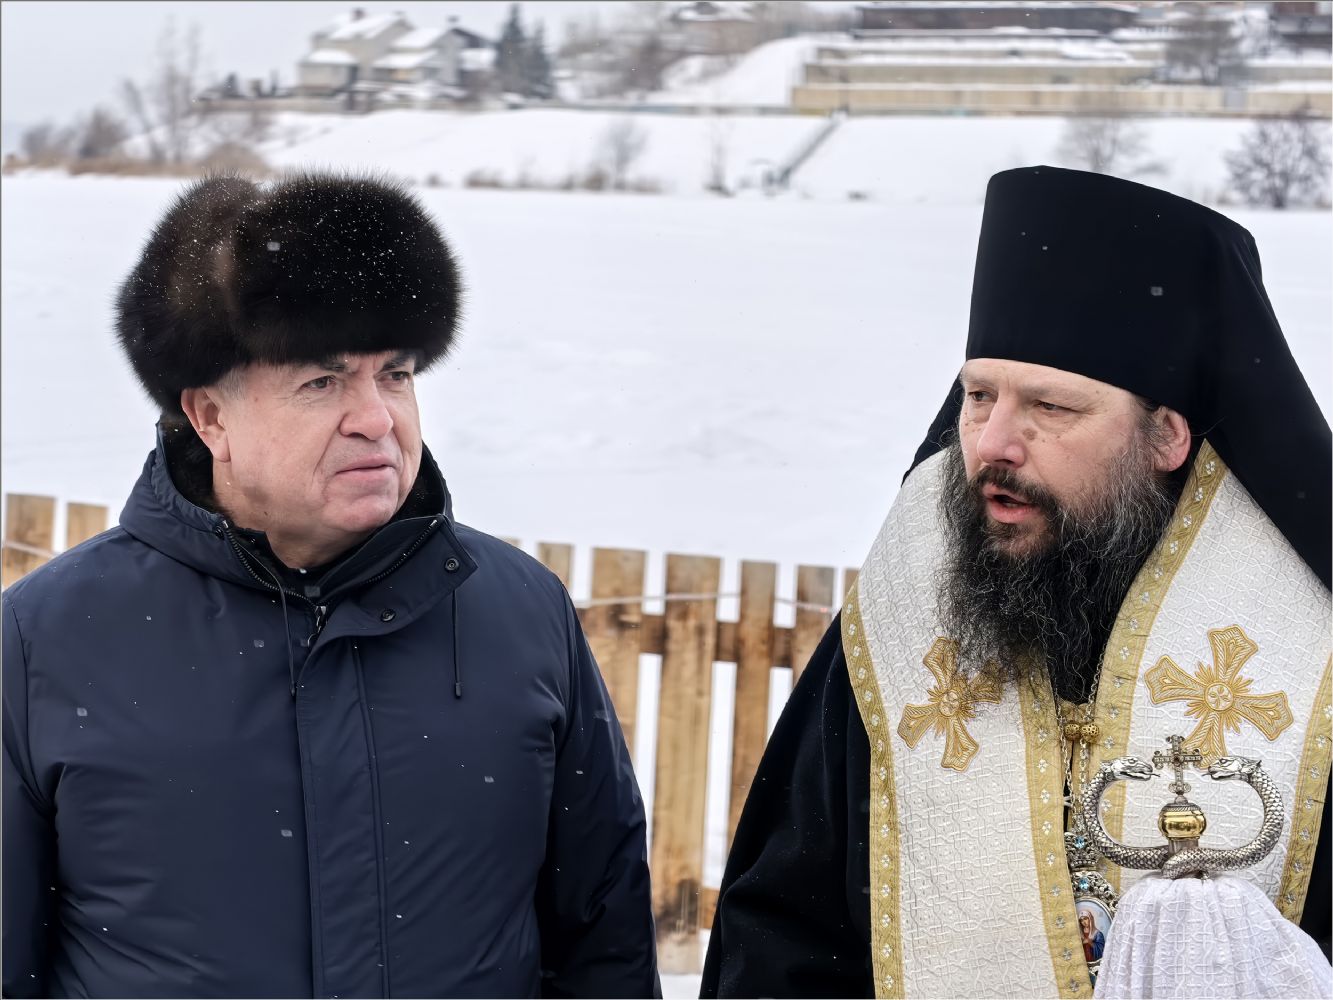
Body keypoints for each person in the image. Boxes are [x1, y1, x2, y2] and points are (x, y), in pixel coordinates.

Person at [3, 172, 660, 998]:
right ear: (210, 417)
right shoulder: (45, 640)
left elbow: (603, 940)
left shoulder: (521, 611)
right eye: (322, 382)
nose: (376, 419)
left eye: (396, 374)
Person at [702, 166, 1330, 998]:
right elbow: (786, 931)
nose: (992, 444)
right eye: (977, 396)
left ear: (1166, 437)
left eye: (1050, 407)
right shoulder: (906, 613)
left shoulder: (1308, 647)